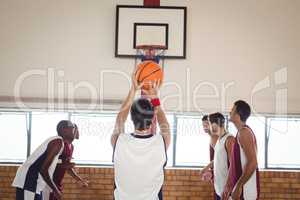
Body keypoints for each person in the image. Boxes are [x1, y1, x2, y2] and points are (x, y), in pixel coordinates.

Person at [111, 73, 171, 200]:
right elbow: (164, 124)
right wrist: (155, 97)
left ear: (131, 118)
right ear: (153, 116)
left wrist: (133, 89)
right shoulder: (161, 142)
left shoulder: (119, 141)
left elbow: (120, 119)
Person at [12, 120, 75, 200]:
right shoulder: (57, 142)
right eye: (72, 129)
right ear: (64, 129)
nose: (74, 132)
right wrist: (56, 190)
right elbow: (43, 170)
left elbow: (45, 164)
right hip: (30, 180)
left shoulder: (59, 142)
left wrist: (64, 165)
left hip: (35, 181)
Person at [222, 100, 260, 200]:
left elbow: (253, 162)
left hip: (246, 191)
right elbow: (234, 164)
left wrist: (238, 186)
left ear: (238, 115)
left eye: (232, 110)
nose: (230, 112)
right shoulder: (239, 133)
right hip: (239, 190)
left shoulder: (245, 133)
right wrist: (228, 185)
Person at [42, 124, 88, 200]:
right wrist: (66, 166)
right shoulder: (59, 144)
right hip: (49, 182)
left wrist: (79, 179)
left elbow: (67, 167)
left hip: (58, 182)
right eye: (75, 129)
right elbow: (49, 165)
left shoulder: (72, 147)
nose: (77, 132)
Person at [200, 113, 235, 200]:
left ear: (215, 124)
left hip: (227, 191)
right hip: (219, 189)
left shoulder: (229, 139)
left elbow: (234, 166)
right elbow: (217, 160)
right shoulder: (220, 139)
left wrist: (228, 187)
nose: (207, 126)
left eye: (209, 123)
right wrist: (207, 169)